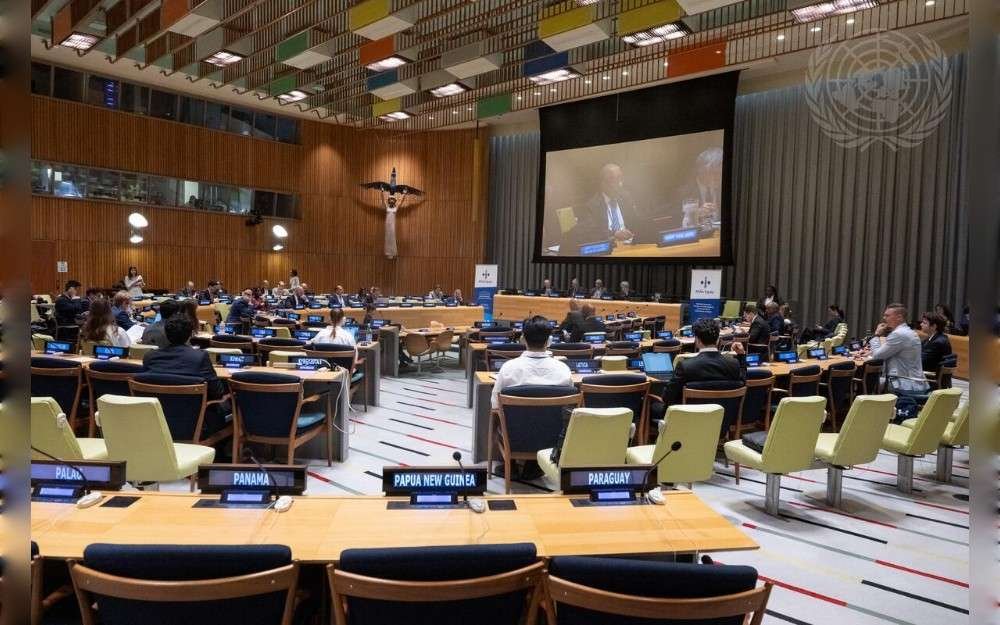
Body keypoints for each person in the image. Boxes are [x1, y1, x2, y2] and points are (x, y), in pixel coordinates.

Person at [490, 316, 573, 409]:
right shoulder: (563, 369)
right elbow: (569, 405)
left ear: (522, 339)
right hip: (556, 423)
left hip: (516, 423)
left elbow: (495, 404)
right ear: (549, 341)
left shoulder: (508, 368)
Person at [143, 315, 226, 402]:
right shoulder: (200, 357)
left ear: (166, 334)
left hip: (154, 412)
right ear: (190, 335)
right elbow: (217, 392)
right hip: (193, 413)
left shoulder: (150, 356)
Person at [663, 318, 744, 405]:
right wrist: (741, 355)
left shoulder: (685, 366)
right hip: (724, 417)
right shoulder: (734, 364)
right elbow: (743, 383)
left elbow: (667, 397)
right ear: (717, 340)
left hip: (690, 417)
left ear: (697, 340)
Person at [566, 163, 649, 248]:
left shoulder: (626, 198)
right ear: (603, 182)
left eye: (620, 178)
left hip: (630, 245)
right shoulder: (592, 205)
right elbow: (590, 231)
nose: (620, 184)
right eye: (614, 179)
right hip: (608, 247)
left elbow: (638, 221)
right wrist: (615, 234)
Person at [863, 303, 929, 401]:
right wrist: (870, 352)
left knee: (867, 384)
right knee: (874, 382)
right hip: (914, 382)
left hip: (904, 385)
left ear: (899, 317)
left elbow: (878, 356)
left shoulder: (899, 334)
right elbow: (889, 352)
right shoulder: (908, 331)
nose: (884, 318)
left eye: (887, 315)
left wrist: (876, 335)